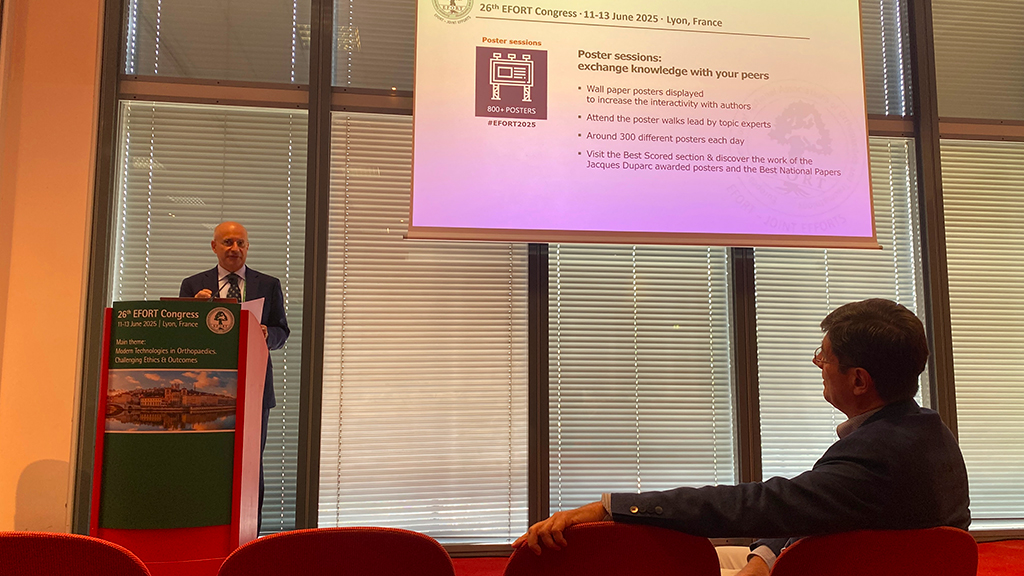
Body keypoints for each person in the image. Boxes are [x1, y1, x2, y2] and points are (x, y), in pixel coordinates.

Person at [514, 299, 969, 576]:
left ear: (859, 380)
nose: (818, 364)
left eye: (825, 357)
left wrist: (610, 508)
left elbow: (752, 505)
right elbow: (818, 506)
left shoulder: (876, 457)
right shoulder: (929, 434)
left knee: (664, 562)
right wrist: (766, 556)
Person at [179, 221, 289, 531]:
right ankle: (206, 530)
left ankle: (252, 534)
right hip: (209, 390)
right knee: (208, 462)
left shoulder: (268, 284)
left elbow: (282, 332)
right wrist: (194, 311)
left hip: (255, 388)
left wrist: (266, 334)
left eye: (241, 243)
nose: (235, 249)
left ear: (248, 247)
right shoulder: (192, 285)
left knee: (251, 464)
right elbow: (183, 336)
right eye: (228, 242)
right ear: (214, 246)